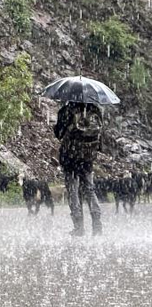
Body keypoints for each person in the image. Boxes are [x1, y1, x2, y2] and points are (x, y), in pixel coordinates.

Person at [54, 101, 103, 236]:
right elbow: (100, 139)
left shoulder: (67, 110)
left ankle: (79, 227)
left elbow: (58, 133)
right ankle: (97, 225)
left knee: (73, 191)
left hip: (70, 158)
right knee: (90, 190)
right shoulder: (95, 109)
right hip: (87, 159)